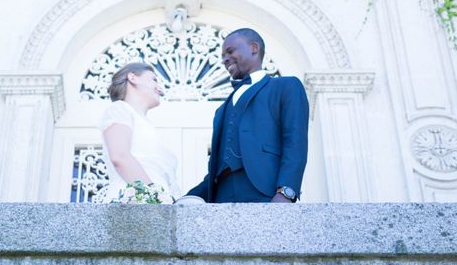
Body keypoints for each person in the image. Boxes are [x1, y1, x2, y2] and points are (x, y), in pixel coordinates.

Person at [186, 28, 309, 203]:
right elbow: (217, 167)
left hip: (267, 194)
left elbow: (295, 143)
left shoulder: (286, 87)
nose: (224, 59)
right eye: (222, 56)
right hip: (222, 198)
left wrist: (286, 192)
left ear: (253, 47)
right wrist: (184, 199)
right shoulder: (221, 110)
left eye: (230, 51)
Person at [99, 62, 180, 203]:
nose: (160, 89)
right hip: (131, 202)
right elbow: (120, 156)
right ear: (133, 78)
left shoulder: (149, 126)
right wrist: (155, 199)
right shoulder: (119, 109)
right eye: (154, 79)